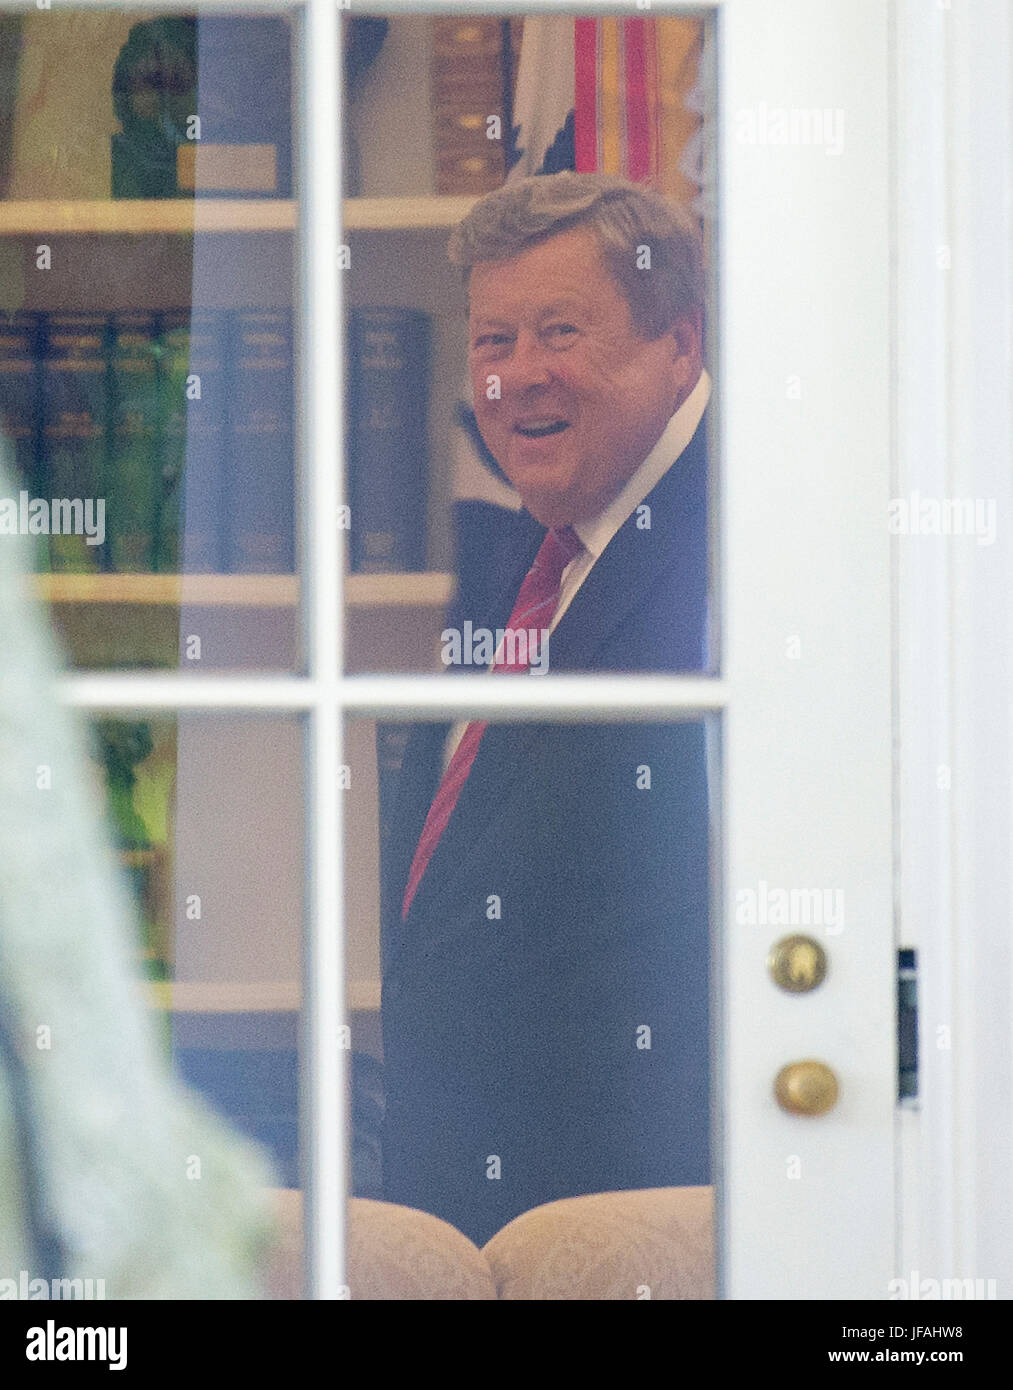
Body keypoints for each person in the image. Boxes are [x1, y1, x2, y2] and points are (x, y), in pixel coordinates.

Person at [380, 171, 712, 1247]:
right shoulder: (542, 529)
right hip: (494, 1219)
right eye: (491, 340)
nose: (516, 374)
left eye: (557, 330)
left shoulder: (743, 545)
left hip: (642, 1227)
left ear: (678, 344)